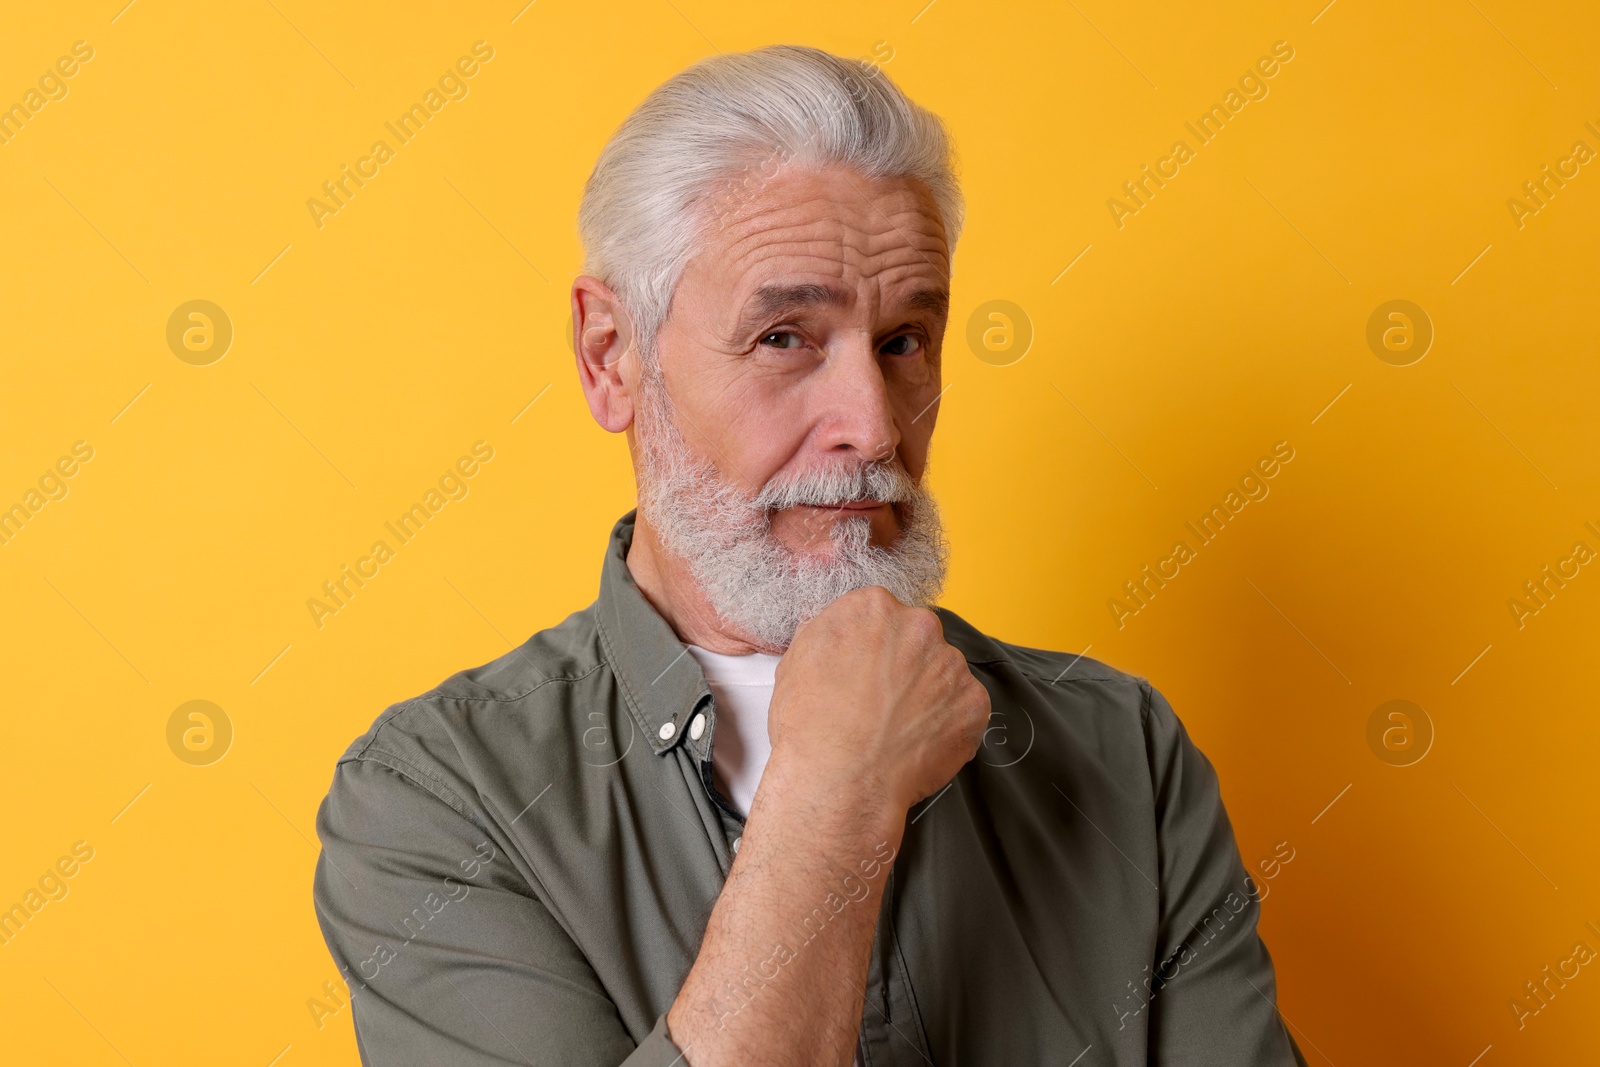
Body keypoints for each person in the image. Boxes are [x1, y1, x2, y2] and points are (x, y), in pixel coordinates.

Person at [312, 43, 1307, 1066]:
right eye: (785, 336)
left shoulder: (1121, 754)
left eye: (904, 341)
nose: (873, 430)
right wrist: (836, 792)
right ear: (611, 357)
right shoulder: (440, 799)